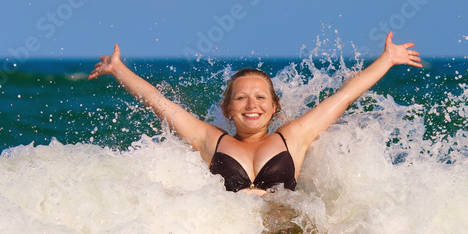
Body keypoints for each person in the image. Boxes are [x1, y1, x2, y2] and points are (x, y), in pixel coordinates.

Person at [88, 32, 422, 193]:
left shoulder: (292, 137)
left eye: (261, 98)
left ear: (274, 106)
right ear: (228, 109)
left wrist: (387, 59)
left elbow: (344, 97)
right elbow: (161, 104)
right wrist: (118, 70)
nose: (252, 105)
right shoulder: (211, 140)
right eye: (242, 99)